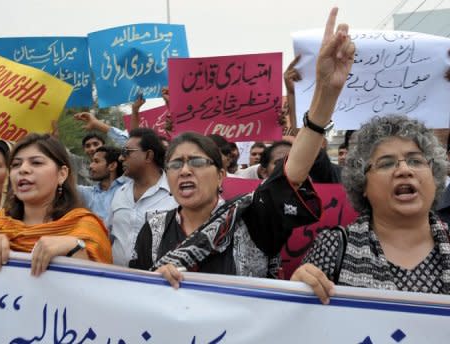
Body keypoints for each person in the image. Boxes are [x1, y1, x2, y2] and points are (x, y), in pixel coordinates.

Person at [129, 7, 355, 287]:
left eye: (197, 162)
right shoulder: (152, 230)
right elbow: (134, 296)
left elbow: (293, 172)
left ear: (222, 175)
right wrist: (155, 285)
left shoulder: (251, 218)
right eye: (176, 164)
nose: (185, 170)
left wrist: (325, 91)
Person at [291, 115, 450, 303]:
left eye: (416, 161)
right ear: (362, 184)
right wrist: (297, 294)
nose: (405, 170)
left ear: (435, 175)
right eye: (386, 163)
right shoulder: (332, 247)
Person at [0, 134, 112, 276]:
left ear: (62, 174)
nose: (23, 169)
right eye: (15, 164)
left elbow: (100, 291)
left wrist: (75, 249)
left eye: (36, 162)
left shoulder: (85, 227)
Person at [108, 128, 177, 266]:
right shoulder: (119, 193)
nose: (121, 158)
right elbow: (109, 235)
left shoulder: (175, 195)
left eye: (126, 152)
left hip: (156, 282)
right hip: (115, 280)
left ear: (148, 156)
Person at [77, 146, 127, 226]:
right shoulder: (87, 193)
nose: (90, 166)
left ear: (112, 166)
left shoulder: (128, 189)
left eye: (96, 162)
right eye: (91, 162)